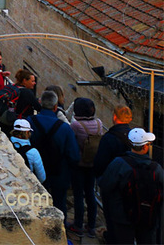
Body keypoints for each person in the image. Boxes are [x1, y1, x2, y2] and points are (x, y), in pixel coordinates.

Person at [98, 128, 163, 244]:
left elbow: (105, 184)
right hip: (147, 217)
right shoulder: (156, 169)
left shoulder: (119, 163)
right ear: (145, 147)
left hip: (122, 217)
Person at [29, 91, 80, 221]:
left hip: (34, 172)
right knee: (59, 205)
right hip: (59, 173)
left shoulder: (29, 121)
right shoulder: (65, 128)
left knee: (35, 203)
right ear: (56, 107)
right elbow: (74, 156)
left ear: (40, 103)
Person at [68, 97, 104, 239]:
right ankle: (91, 226)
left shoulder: (76, 126)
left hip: (79, 164)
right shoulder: (99, 123)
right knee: (91, 194)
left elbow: (71, 142)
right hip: (93, 164)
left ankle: (77, 225)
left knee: (78, 195)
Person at [93, 105, 133, 178]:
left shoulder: (108, 138)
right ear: (130, 119)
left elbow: (100, 163)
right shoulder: (134, 137)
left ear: (114, 117)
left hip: (112, 180)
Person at [10, 119, 45, 184]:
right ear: (26, 132)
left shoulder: (7, 144)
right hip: (26, 183)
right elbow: (42, 177)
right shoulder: (33, 152)